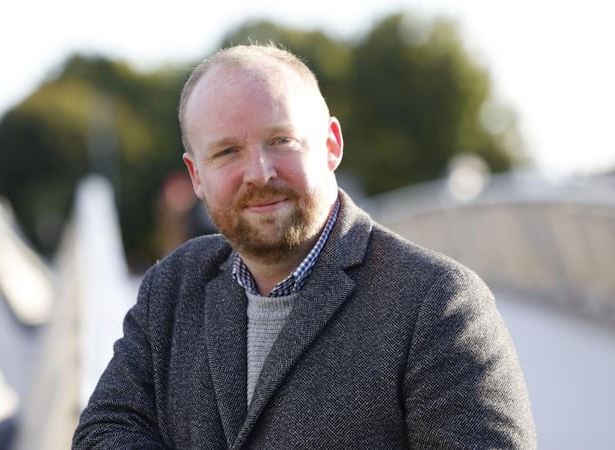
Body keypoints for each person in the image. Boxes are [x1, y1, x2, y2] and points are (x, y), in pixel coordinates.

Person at [72, 43, 536, 449]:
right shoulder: (171, 286)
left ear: (331, 145)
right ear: (197, 176)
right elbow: (104, 430)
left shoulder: (439, 302)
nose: (259, 172)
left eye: (282, 140)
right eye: (227, 152)